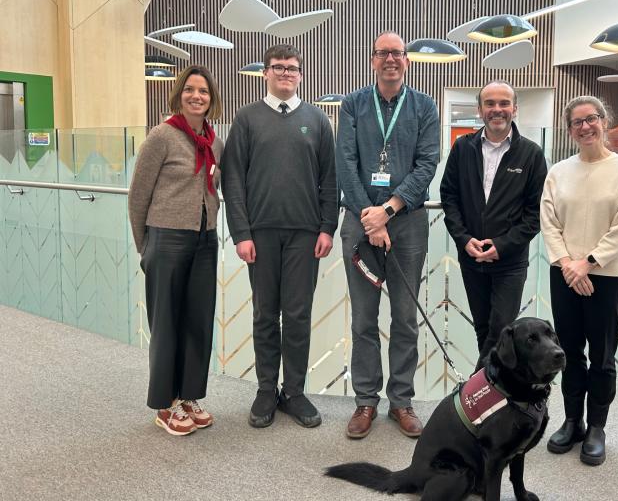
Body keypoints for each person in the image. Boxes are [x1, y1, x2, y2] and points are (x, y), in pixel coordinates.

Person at [221, 44, 337, 430]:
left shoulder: (317, 120)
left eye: (292, 68)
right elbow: (233, 179)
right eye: (278, 67)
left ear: (301, 75)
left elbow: (329, 179)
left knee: (299, 315)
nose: (285, 73)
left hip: (306, 234)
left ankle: (295, 392)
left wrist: (327, 227)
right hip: (261, 234)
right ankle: (266, 390)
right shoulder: (247, 119)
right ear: (265, 73)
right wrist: (241, 233)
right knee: (265, 313)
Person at [336, 31, 440, 439]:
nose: (391, 59)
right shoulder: (352, 105)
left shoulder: (424, 106)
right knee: (363, 318)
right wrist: (370, 217)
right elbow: (345, 162)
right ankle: (365, 400)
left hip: (406, 223)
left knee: (405, 317)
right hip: (360, 222)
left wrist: (388, 210)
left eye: (397, 53)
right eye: (383, 53)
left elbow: (427, 163)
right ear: (372, 60)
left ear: (407, 61)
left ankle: (401, 400)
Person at [540, 95, 618, 466]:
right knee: (568, 353)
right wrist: (569, 265)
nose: (585, 127)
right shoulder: (558, 172)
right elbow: (549, 223)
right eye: (577, 122)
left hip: (606, 276)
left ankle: (597, 427)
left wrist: (587, 263)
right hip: (564, 275)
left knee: (601, 356)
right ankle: (573, 421)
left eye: (592, 118)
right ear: (569, 130)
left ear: (604, 121)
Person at [128, 65, 224, 436]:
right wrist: (146, 247)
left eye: (203, 91)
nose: (196, 96)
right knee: (167, 323)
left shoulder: (214, 142)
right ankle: (165, 403)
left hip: (205, 239)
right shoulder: (162, 136)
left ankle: (189, 396)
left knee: (198, 322)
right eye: (190, 90)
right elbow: (138, 196)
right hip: (166, 238)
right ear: (179, 94)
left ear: (212, 99)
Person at [440, 80, 547, 370]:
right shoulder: (462, 148)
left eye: (503, 103)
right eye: (489, 103)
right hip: (471, 256)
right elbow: (449, 197)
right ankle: (494, 389)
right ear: (479, 110)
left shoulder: (531, 154)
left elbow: (536, 213)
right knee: (484, 328)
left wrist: (501, 246)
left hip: (509, 261)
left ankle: (477, 388)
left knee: (501, 329)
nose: (497, 109)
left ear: (515, 109)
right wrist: (464, 239)